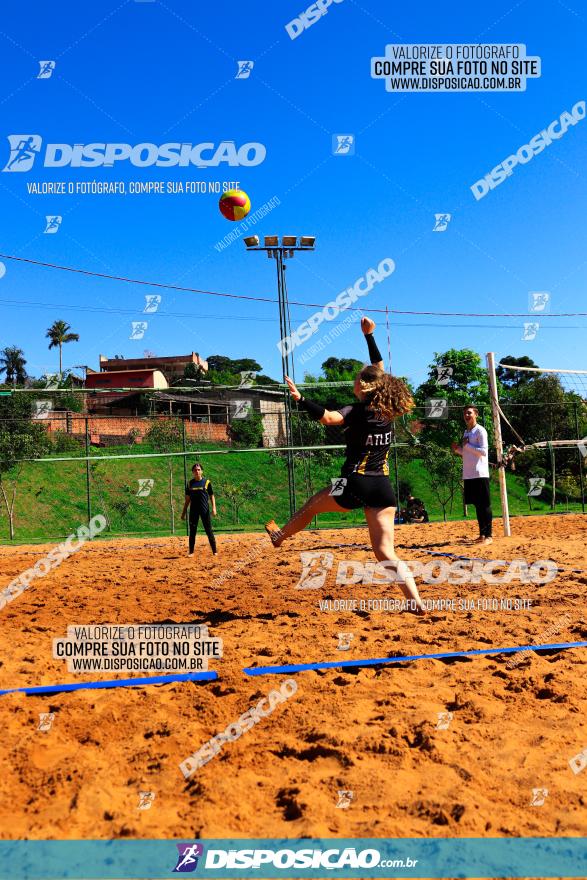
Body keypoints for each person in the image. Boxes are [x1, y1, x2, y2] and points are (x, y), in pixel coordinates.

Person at [264, 318, 425, 614]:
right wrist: (370, 336)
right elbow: (379, 369)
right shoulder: (389, 410)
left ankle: (281, 536)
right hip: (382, 488)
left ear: (363, 387)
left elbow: (328, 418)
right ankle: (415, 602)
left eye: (357, 380)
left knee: (312, 505)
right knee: (386, 552)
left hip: (354, 482)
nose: (354, 382)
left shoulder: (357, 410)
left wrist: (301, 399)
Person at [451, 405, 493, 545]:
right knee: (478, 506)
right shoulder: (466, 432)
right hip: (469, 474)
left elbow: (484, 452)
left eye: (469, 413)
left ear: (476, 414)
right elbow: (467, 452)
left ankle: (489, 536)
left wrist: (467, 446)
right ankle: (482, 535)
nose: (466, 415)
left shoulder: (480, 431)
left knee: (485, 505)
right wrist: (458, 450)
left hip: (480, 473)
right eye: (465, 414)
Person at [181, 463, 217, 556]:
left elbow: (211, 496)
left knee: (209, 531)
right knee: (192, 532)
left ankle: (215, 551)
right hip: (193, 511)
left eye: (198, 469)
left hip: (204, 510)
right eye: (195, 470)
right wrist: (183, 512)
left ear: (202, 471)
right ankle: (191, 552)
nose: (197, 471)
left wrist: (214, 508)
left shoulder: (207, 482)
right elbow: (187, 500)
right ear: (192, 472)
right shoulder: (190, 484)